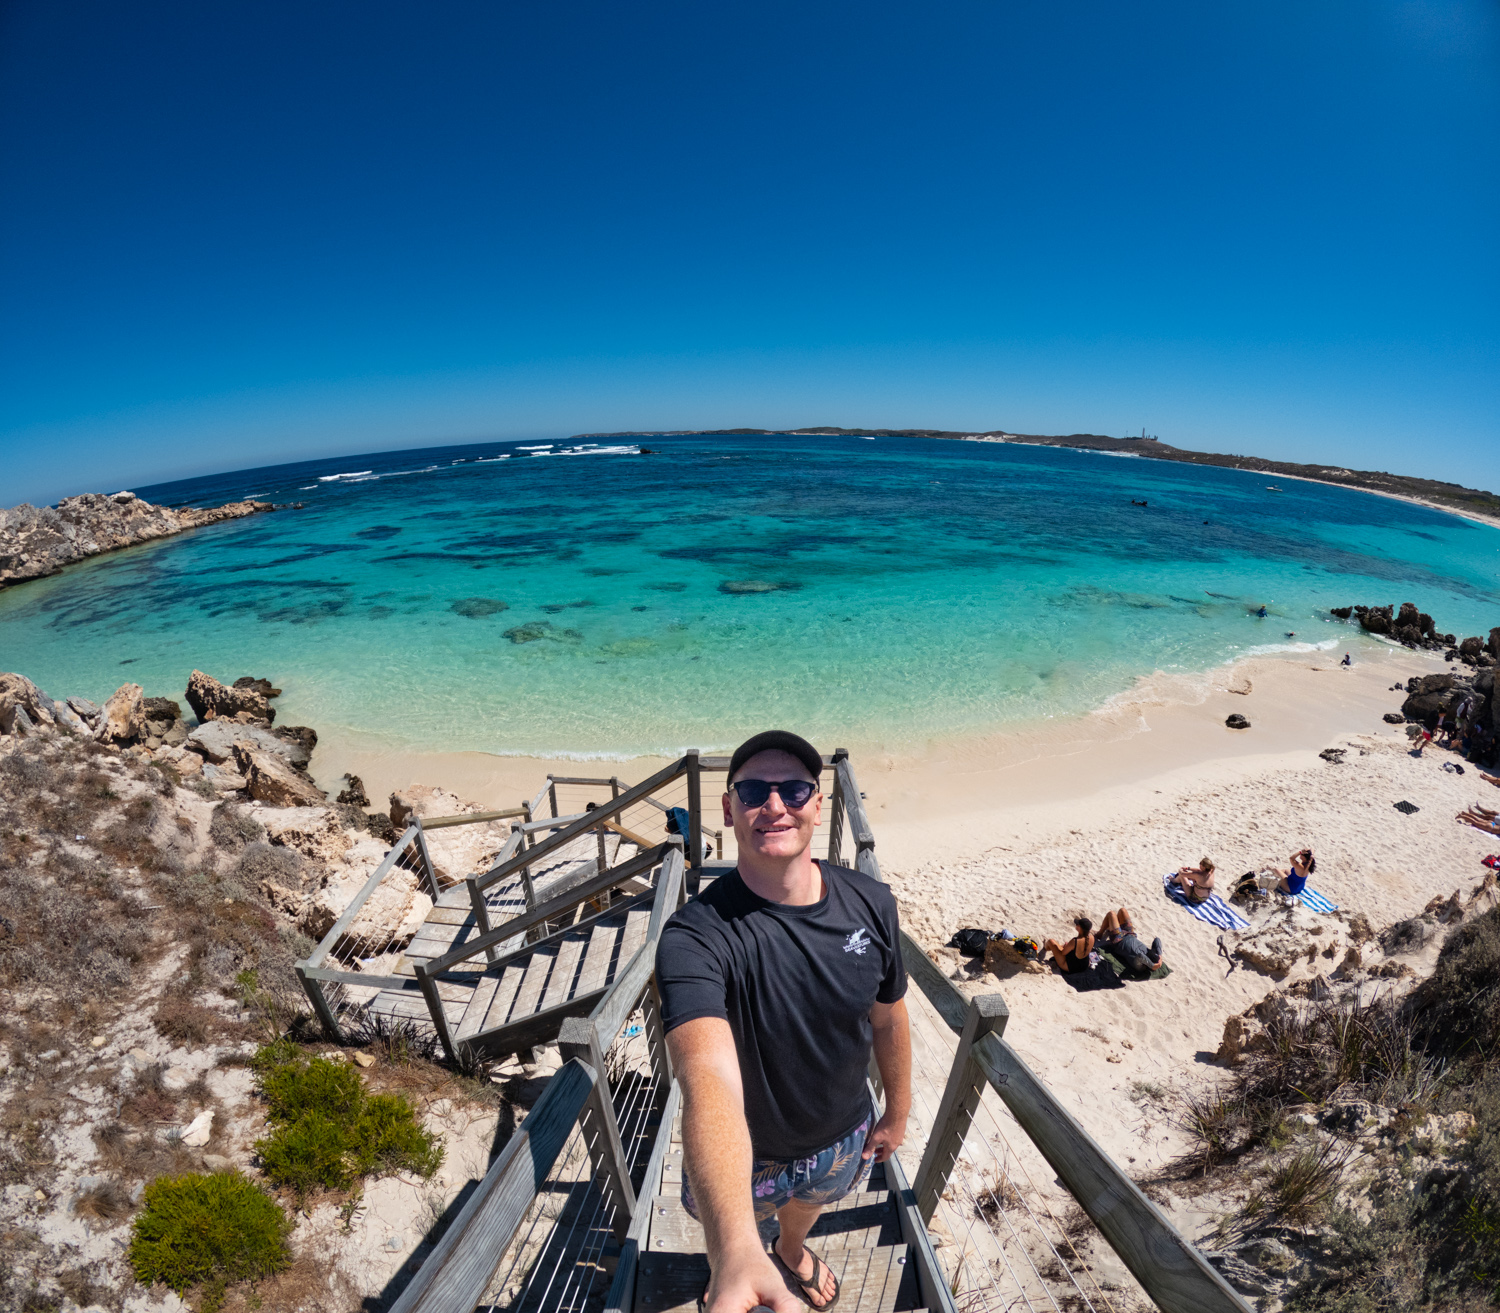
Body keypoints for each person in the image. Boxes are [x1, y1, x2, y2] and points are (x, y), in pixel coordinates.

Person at [656, 731, 911, 1313]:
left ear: (818, 806)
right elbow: (706, 1074)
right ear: (728, 808)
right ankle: (742, 1258)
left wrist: (897, 1111)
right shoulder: (695, 937)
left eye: (794, 790)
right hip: (745, 1153)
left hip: (843, 1134)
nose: (774, 806)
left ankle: (792, 1250)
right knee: (738, 1238)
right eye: (753, 792)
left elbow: (890, 1019)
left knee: (807, 1209)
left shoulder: (873, 904)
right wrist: (734, 1248)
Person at [1096, 908, 1164, 973]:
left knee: (1111, 914)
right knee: (1122, 910)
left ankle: (1100, 933)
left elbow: (1140, 955)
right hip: (1130, 934)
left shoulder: (1140, 966)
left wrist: (1152, 966)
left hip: (1118, 939)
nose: (1153, 953)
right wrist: (1160, 956)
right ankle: (1111, 926)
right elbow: (1157, 940)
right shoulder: (1150, 953)